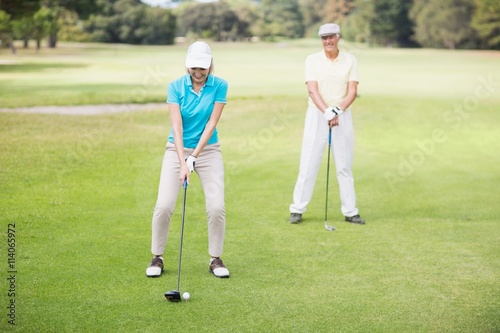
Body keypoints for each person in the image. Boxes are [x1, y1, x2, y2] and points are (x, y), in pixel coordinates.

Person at [146, 41, 230, 278]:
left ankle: (215, 258)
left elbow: (212, 123)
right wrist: (184, 161)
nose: (198, 72)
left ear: (210, 65)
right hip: (176, 150)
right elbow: (177, 127)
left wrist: (195, 156)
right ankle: (157, 257)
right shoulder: (175, 86)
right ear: (187, 66)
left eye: (202, 68)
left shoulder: (220, 85)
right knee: (163, 205)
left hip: (209, 150)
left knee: (216, 207)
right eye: (193, 67)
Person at [288, 23, 365, 225]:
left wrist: (337, 109)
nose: (327, 41)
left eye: (331, 37)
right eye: (324, 38)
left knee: (344, 164)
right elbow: (312, 90)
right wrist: (327, 111)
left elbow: (352, 91)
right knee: (308, 162)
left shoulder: (350, 60)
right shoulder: (312, 60)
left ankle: (350, 211)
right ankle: (297, 209)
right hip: (317, 114)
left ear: (338, 37)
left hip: (343, 115)